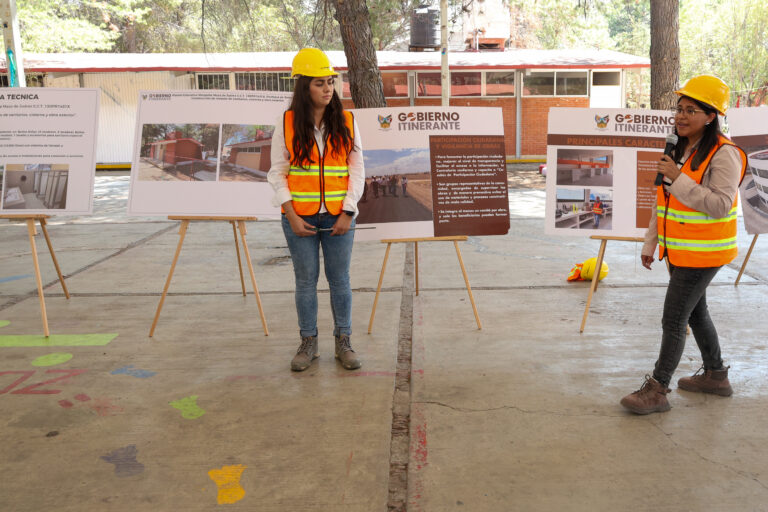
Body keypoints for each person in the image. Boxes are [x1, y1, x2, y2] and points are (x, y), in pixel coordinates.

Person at [620, 75, 747, 415]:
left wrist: (678, 177)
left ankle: (658, 388)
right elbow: (662, 202)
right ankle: (716, 375)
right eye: (679, 109)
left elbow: (720, 204)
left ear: (711, 116)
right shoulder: (680, 149)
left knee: (674, 318)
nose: (681, 116)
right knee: (696, 312)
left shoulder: (725, 154)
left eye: (692, 110)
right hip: (678, 250)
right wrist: (650, 243)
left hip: (704, 253)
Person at [267, 48, 365, 372]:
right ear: (304, 87)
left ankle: (344, 342)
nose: (328, 89)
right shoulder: (287, 122)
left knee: (340, 281)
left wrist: (347, 212)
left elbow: (357, 170)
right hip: (301, 218)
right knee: (305, 283)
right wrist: (291, 215)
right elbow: (277, 171)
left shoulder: (348, 120)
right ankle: (308, 343)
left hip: (339, 217)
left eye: (331, 82)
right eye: (320, 83)